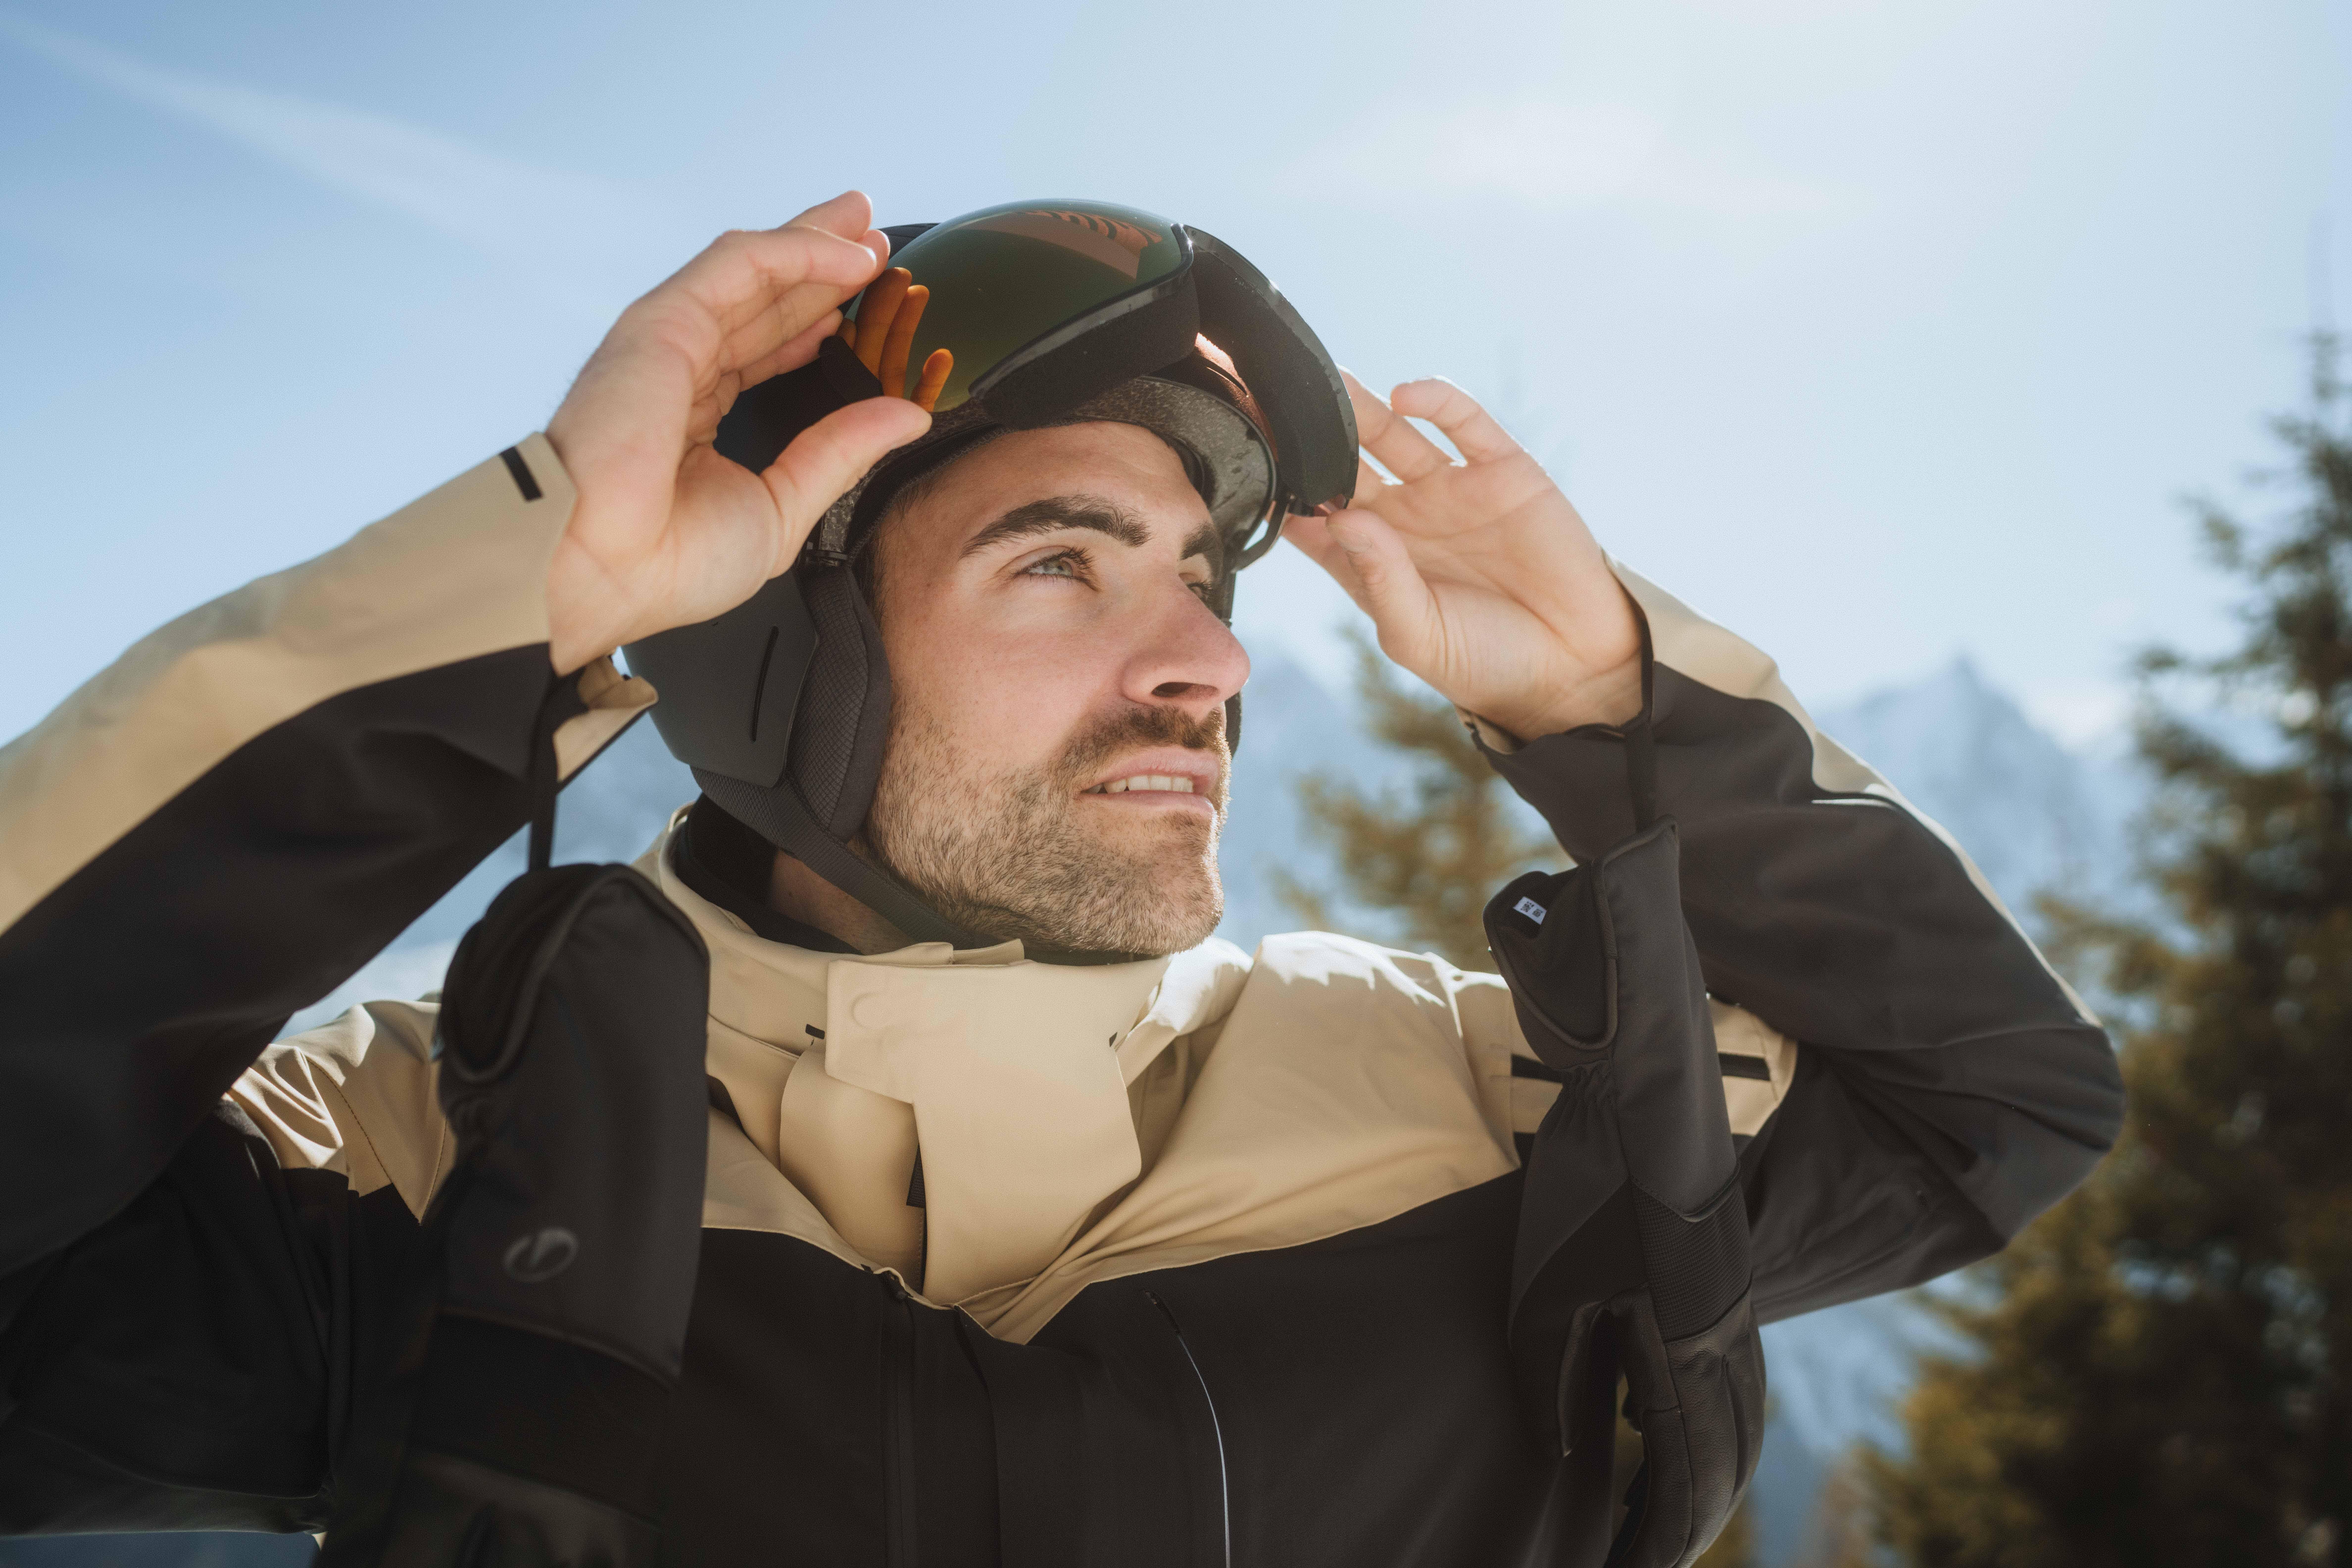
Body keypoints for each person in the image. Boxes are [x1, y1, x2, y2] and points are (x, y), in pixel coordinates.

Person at [0, 191, 2123, 1566]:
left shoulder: (1475, 1101)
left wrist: (1613, 704)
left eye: (1206, 582)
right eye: (1060, 568)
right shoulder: (420, 1150)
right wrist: (521, 602)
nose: (1206, 663)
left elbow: (1995, 1106)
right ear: (788, 668)